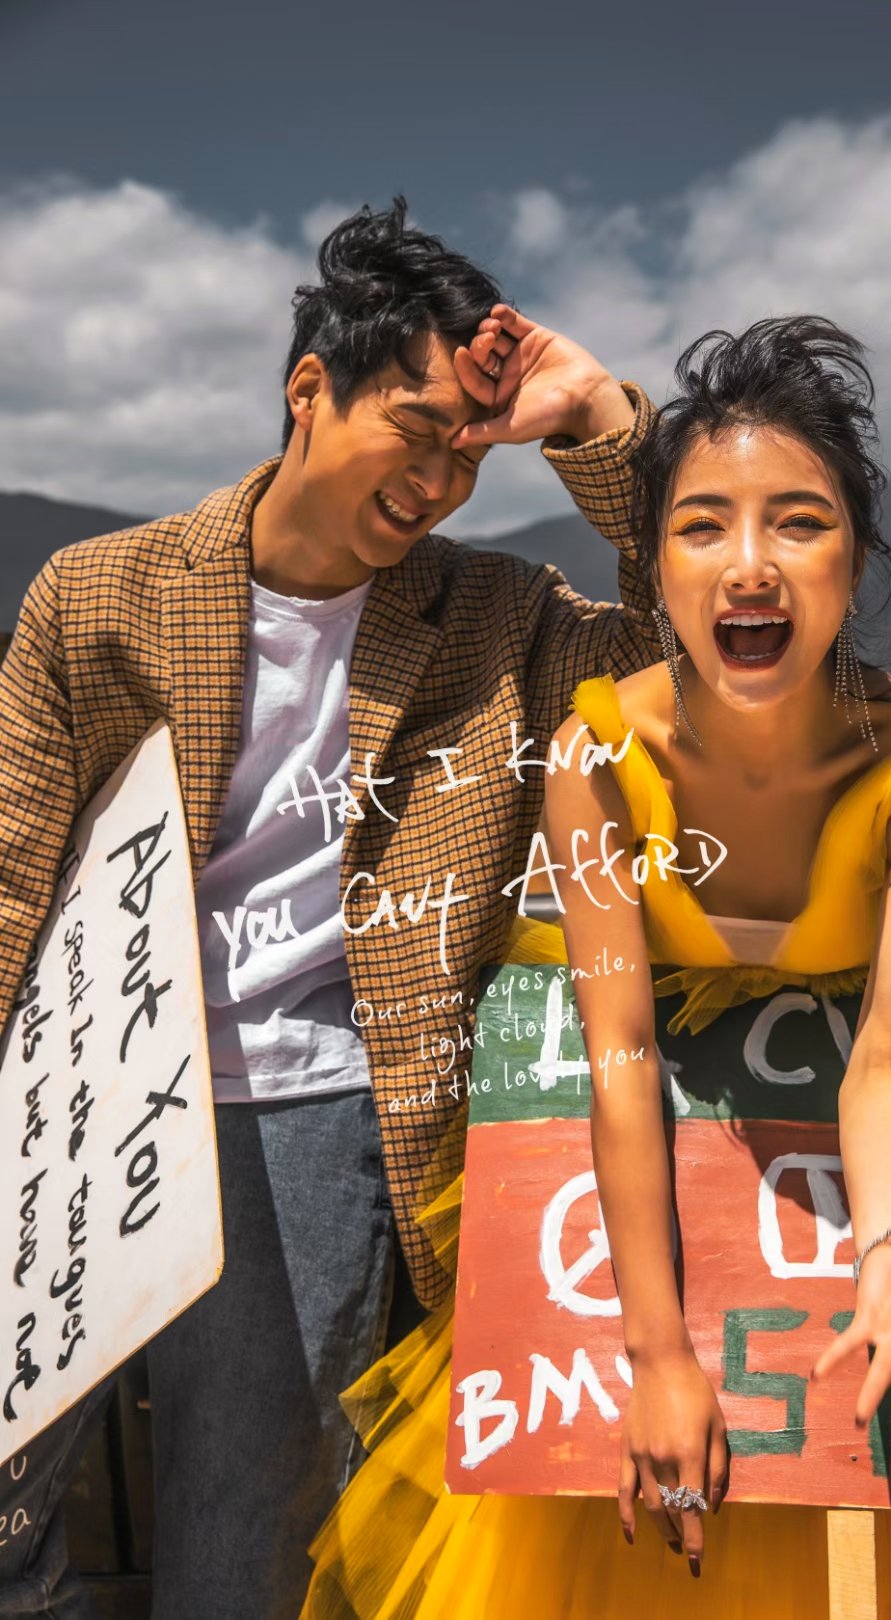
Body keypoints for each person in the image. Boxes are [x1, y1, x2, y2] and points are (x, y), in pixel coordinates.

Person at [301, 317, 891, 1620]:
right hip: (661, 1172)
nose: (750, 563)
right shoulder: (596, 761)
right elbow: (621, 1065)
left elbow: (886, 1059)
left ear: (856, 559)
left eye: (801, 523)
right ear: (656, 567)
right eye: (703, 526)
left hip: (851, 1137)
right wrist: (657, 1357)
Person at [0, 200, 659, 1619]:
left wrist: (598, 421)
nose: (437, 480)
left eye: (468, 455)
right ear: (311, 388)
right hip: (74, 1103)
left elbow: (707, 654)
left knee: (243, 1560)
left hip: (314, 1112)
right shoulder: (96, 597)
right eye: (415, 429)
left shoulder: (501, 616)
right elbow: (9, 870)